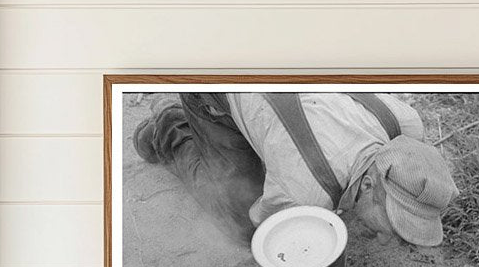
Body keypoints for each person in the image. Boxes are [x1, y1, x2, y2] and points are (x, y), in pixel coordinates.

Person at [133, 91, 458, 248]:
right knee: (238, 219)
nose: (393, 236)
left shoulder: (405, 123)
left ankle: (263, 144)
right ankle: (167, 125)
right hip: (217, 87)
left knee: (279, 152)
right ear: (369, 184)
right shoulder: (303, 193)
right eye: (393, 220)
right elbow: (264, 221)